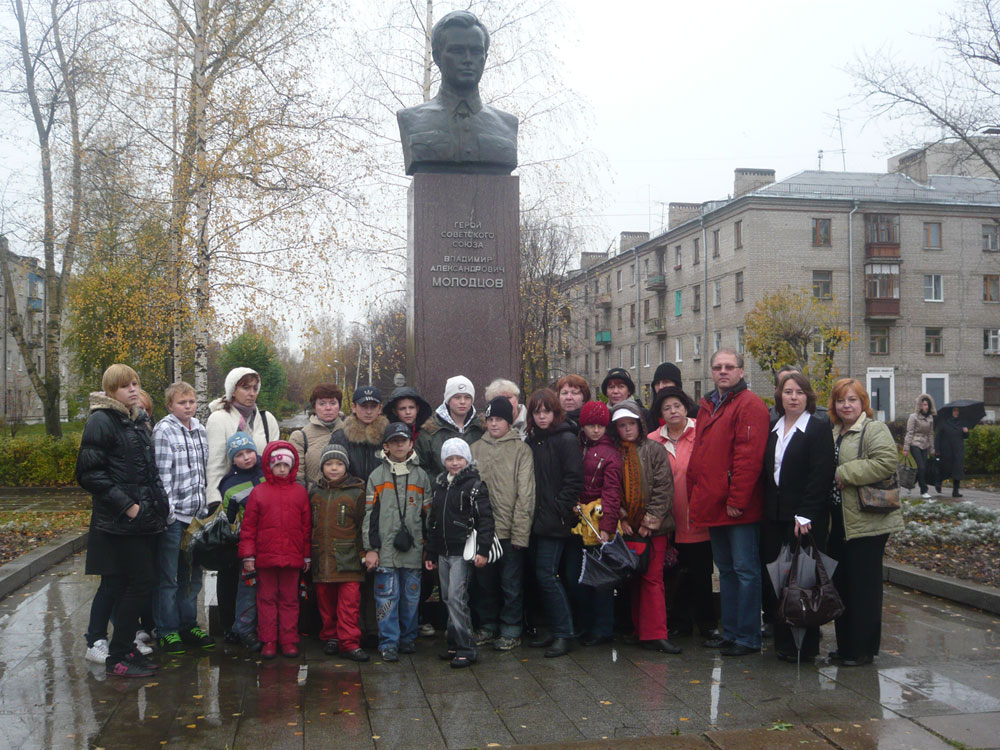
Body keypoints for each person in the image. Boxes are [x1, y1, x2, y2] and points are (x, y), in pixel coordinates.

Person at [77, 364, 168, 677]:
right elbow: (89, 473)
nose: (132, 389)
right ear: (111, 391)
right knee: (139, 582)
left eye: (134, 383)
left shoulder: (134, 421)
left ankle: (125, 648)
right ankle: (117, 655)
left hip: (142, 519)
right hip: (121, 521)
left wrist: (158, 507)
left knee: (135, 582)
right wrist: (128, 506)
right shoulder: (102, 421)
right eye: (124, 386)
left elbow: (146, 472)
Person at [687, 349, 769, 657]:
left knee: (745, 570)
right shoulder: (709, 404)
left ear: (741, 371)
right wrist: (693, 490)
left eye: (730, 367)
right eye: (718, 367)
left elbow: (748, 457)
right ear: (712, 371)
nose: (724, 371)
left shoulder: (750, 405)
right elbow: (701, 453)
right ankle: (731, 631)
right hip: (713, 503)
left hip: (737, 507)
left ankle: (748, 636)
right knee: (726, 571)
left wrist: (738, 499)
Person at [827, 378, 903, 666]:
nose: (846, 405)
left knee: (864, 588)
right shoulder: (834, 431)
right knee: (842, 585)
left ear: (862, 404)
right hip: (839, 520)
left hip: (867, 521)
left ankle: (863, 649)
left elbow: (886, 462)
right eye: (840, 400)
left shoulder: (873, 429)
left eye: (852, 400)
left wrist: (845, 472)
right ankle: (845, 646)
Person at [761, 372, 835, 662]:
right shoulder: (774, 428)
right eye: (788, 392)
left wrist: (805, 514)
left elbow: (821, 476)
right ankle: (783, 642)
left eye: (799, 392)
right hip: (772, 519)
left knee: (804, 583)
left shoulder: (817, 430)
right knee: (778, 583)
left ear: (808, 397)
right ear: (779, 396)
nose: (793, 397)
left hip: (802, 521)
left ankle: (805, 646)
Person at [205, 367, 280, 642]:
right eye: (245, 387)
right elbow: (214, 464)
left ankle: (260, 625)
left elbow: (274, 460)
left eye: (255, 387)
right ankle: (230, 626)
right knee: (232, 567)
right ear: (232, 390)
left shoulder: (266, 418)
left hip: (266, 505)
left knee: (262, 568)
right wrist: (216, 507)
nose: (251, 393)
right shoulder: (219, 419)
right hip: (232, 504)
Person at [396, 10, 517, 176]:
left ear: (485, 58)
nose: (468, 59)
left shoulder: (507, 124)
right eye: (458, 51)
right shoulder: (411, 119)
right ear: (438, 57)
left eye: (475, 51)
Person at [610, 400, 679, 654]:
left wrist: (651, 521)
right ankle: (639, 630)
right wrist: (622, 518)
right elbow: (611, 489)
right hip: (627, 529)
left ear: (640, 423)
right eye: (621, 425)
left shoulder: (654, 450)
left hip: (655, 529)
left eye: (631, 424)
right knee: (633, 580)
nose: (627, 429)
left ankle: (656, 634)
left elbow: (664, 488)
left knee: (652, 579)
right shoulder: (613, 452)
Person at [152, 381, 214, 656]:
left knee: (192, 576)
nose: (188, 407)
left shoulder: (200, 429)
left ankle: (189, 624)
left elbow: (204, 470)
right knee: (169, 577)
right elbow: (162, 476)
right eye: (181, 402)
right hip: (174, 517)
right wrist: (168, 514)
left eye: (191, 401)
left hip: (196, 516)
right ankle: (167, 630)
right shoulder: (164, 430)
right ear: (170, 405)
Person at [648, 386, 715, 641]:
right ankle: (679, 623)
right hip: (668, 520)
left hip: (698, 517)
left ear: (686, 407)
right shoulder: (654, 440)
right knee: (675, 574)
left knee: (701, 573)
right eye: (667, 407)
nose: (673, 411)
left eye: (677, 405)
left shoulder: (701, 432)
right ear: (661, 414)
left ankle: (707, 625)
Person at [363, 422, 433, 662]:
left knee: (411, 597)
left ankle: (408, 638)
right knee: (386, 597)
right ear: (386, 446)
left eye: (403, 441)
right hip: (385, 551)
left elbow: (428, 516)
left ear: (411, 443)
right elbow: (369, 516)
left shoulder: (421, 475)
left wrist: (428, 548)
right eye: (394, 441)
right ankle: (388, 642)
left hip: (414, 551)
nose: (399, 445)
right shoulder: (377, 476)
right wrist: (371, 549)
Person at [469, 396, 536, 651]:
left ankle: (511, 628)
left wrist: (520, 533)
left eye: (500, 419)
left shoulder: (521, 450)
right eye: (490, 419)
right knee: (484, 583)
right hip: (483, 533)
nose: (494, 424)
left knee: (511, 583)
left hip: (509, 530)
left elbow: (525, 493)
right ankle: (487, 625)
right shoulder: (475, 449)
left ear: (509, 422)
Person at [425, 438, 495, 668]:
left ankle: (467, 646)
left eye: (459, 458)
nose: (454, 463)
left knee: (457, 597)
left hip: (462, 552)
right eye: (450, 458)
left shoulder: (475, 486)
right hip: (443, 551)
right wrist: (430, 553)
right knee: (447, 598)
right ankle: (454, 642)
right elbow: (434, 522)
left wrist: (483, 550)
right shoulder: (441, 486)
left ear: (467, 459)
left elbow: (485, 520)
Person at [525, 388, 584, 658]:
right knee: (540, 577)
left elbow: (574, 479)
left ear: (555, 411)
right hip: (536, 519)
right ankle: (553, 628)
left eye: (546, 411)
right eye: (536, 412)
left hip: (555, 519)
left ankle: (564, 632)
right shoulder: (534, 440)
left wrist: (561, 509)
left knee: (548, 575)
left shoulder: (566, 439)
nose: (541, 416)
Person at [238, 442, 311, 659]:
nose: (281, 469)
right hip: (265, 557)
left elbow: (306, 527)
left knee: (290, 599)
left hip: (292, 556)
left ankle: (288, 640)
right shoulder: (259, 492)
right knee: (266, 599)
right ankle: (268, 640)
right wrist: (248, 555)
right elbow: (248, 527)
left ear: (292, 467)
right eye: (277, 465)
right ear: (269, 466)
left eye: (285, 465)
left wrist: (306, 555)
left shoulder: (300, 493)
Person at [310, 443, 369, 662]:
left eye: (339, 464)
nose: (334, 468)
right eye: (329, 464)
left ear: (346, 466)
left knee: (349, 603)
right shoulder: (315, 492)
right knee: (325, 602)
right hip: (322, 558)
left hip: (349, 559)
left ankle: (350, 642)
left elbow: (364, 525)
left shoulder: (357, 492)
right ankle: (331, 636)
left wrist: (365, 552)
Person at [569, 401, 621, 647]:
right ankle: (585, 625)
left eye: (601, 425)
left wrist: (607, 527)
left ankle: (603, 628)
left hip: (598, 521)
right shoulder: (576, 446)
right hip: (578, 519)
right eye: (591, 425)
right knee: (579, 578)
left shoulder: (610, 453)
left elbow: (612, 491)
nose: (596, 430)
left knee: (601, 580)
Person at [218, 432, 266, 650]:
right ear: (232, 459)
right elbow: (230, 520)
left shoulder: (269, 471)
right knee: (247, 591)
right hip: (249, 545)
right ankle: (243, 629)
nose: (246, 457)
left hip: (274, 540)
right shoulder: (229, 485)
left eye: (249, 452)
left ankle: (266, 629)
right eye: (239, 455)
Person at [416, 375, 485, 483]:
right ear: (448, 400)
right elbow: (421, 468)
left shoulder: (482, 429)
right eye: (457, 397)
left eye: (467, 397)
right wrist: (441, 485)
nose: (463, 402)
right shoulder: (431, 431)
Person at [289, 383, 346, 490]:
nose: (328, 408)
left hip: (346, 499)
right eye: (322, 404)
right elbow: (297, 477)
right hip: (314, 499)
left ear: (339, 406)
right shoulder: (300, 437)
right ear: (314, 407)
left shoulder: (351, 431)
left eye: (333, 403)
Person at [343, 385, 390, 484]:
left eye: (373, 406)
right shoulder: (340, 437)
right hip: (350, 496)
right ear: (353, 407)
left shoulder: (389, 436)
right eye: (363, 406)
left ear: (380, 408)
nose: (369, 411)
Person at [903, 394, 936, 499]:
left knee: (923, 468)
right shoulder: (913, 417)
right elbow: (909, 432)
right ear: (920, 406)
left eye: (927, 404)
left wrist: (932, 449)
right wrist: (906, 447)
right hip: (915, 443)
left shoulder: (930, 418)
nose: (925, 406)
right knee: (921, 466)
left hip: (925, 444)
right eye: (923, 404)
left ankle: (909, 483)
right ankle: (924, 490)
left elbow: (930, 434)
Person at [935, 406, 969, 498]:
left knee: (957, 470)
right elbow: (937, 437)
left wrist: (966, 432)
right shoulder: (943, 422)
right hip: (946, 450)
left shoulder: (962, 422)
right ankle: (938, 483)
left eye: (958, 411)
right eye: (954, 411)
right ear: (951, 412)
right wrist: (937, 450)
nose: (956, 412)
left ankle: (955, 491)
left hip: (958, 450)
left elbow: (966, 436)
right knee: (945, 468)